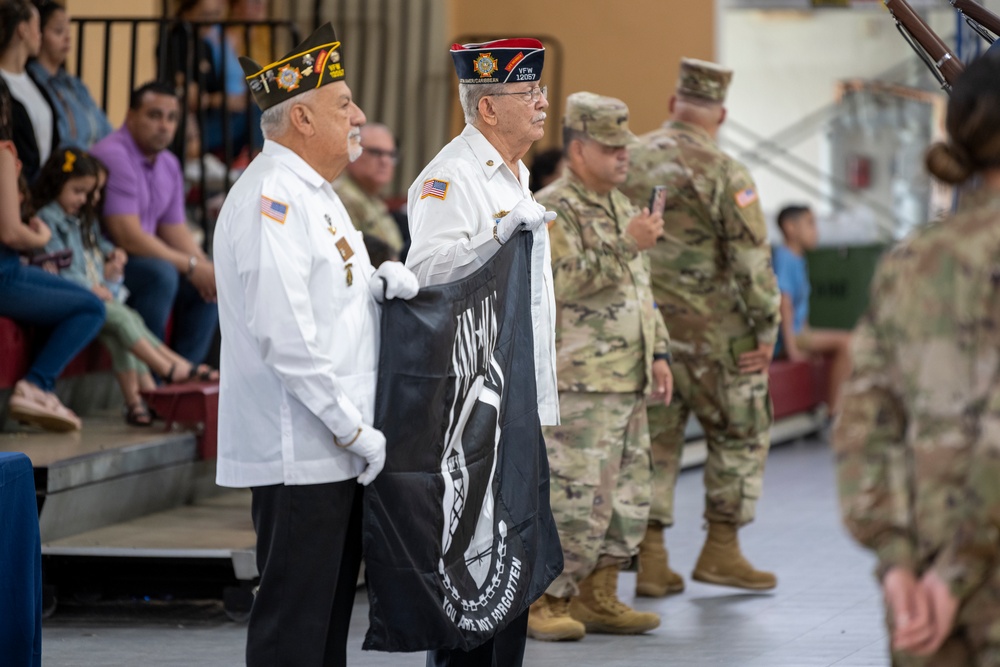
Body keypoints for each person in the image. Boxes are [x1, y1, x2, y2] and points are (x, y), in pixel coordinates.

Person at [213, 23, 418, 666]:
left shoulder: (317, 193)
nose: (358, 117)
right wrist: (352, 430)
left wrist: (379, 290)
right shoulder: (272, 198)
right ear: (300, 117)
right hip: (301, 448)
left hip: (335, 446)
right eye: (343, 105)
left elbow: (328, 302)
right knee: (293, 629)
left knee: (326, 625)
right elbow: (287, 337)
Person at [834, 53, 1000, 665]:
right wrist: (959, 574)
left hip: (922, 587)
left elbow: (864, 419)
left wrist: (899, 567)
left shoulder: (913, 259)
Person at [406, 37, 559, 667]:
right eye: (528, 93)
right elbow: (429, 274)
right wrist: (493, 239)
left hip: (515, 397)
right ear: (488, 109)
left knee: (512, 568)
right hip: (472, 408)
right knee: (470, 577)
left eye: (540, 89)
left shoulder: (516, 172)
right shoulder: (449, 177)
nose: (543, 102)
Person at [621, 58, 781, 595]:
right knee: (742, 428)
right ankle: (721, 550)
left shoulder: (628, 159)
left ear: (673, 106)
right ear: (722, 114)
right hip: (715, 337)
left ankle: (652, 559)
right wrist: (766, 328)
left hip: (644, 332)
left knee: (655, 440)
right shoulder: (726, 171)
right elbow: (751, 262)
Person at [528, 92, 672, 642]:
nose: (622, 158)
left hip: (627, 377)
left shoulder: (620, 204)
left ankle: (599, 595)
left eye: (625, 149)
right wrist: (627, 246)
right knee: (572, 496)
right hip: (579, 380)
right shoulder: (551, 207)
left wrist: (658, 353)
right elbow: (558, 282)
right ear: (579, 148)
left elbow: (641, 290)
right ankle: (545, 600)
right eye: (611, 149)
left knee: (627, 497)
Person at [35, 149, 217, 427]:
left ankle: (139, 400)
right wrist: (92, 287)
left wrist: (113, 253)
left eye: (91, 193)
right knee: (122, 318)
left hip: (91, 294)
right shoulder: (47, 220)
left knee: (122, 328)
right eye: (79, 192)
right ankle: (168, 369)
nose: (86, 200)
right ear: (56, 185)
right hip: (73, 295)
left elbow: (95, 245)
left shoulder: (79, 218)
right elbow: (59, 267)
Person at [0, 77, 104, 432]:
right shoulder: (3, 152)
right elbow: (11, 233)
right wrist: (39, 236)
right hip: (4, 272)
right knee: (90, 306)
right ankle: (36, 385)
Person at [90, 81, 219, 366]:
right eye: (154, 115)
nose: (164, 125)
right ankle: (152, 379)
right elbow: (128, 236)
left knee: (210, 283)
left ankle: (183, 382)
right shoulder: (114, 154)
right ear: (130, 116)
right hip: (106, 260)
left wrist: (204, 268)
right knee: (161, 275)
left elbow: (173, 228)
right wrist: (191, 266)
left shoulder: (169, 164)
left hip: (144, 257)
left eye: (171, 118)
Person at [772, 204, 851, 417]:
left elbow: (800, 310)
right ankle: (834, 413)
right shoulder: (785, 258)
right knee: (847, 342)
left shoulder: (798, 259)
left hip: (801, 333)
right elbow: (784, 307)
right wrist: (793, 350)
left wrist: (811, 345)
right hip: (790, 337)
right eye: (810, 224)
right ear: (790, 228)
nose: (816, 231)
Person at [168, 0, 255, 158]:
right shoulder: (175, 42)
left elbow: (212, 91)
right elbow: (191, 98)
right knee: (255, 115)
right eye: (205, 15)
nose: (210, 22)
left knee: (258, 112)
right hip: (194, 127)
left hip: (215, 118)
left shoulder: (205, 46)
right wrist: (222, 100)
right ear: (187, 13)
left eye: (215, 16)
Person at [27, 1, 112, 151]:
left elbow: (105, 130)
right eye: (59, 31)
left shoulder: (74, 84)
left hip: (92, 164)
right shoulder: (32, 82)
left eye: (68, 31)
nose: (67, 38)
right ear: (38, 34)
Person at [0, 0, 57, 183]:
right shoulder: (3, 85)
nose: (40, 35)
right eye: (37, 27)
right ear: (22, 29)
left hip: (41, 189)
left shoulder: (34, 79)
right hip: (17, 188)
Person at [333, 122, 405, 256]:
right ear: (354, 151)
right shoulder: (341, 197)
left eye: (391, 154)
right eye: (376, 152)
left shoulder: (371, 197)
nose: (385, 161)